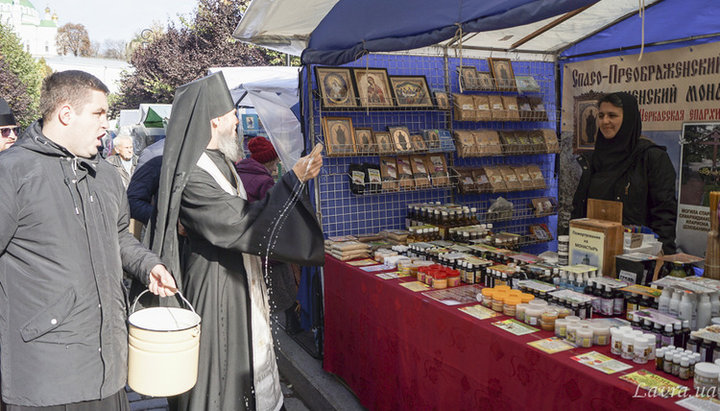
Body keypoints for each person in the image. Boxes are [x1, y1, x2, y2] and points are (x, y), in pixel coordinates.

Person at [0, 70, 177, 410]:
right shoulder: (13, 173)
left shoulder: (105, 175)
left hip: (108, 369)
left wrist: (147, 264)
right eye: (98, 113)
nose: (106, 125)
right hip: (45, 375)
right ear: (66, 113)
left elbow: (119, 237)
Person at [150, 72, 324, 411]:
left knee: (248, 372)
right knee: (223, 380)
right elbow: (238, 222)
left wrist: (293, 182)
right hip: (216, 289)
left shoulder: (223, 163)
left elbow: (247, 211)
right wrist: (292, 181)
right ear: (215, 121)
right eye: (232, 116)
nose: (237, 123)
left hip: (238, 278)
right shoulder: (196, 172)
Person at [572, 91, 678, 254]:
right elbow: (580, 208)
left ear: (628, 118)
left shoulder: (651, 157)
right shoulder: (594, 159)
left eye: (612, 115)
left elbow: (664, 215)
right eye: (601, 115)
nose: (605, 121)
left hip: (635, 256)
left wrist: (661, 258)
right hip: (591, 251)